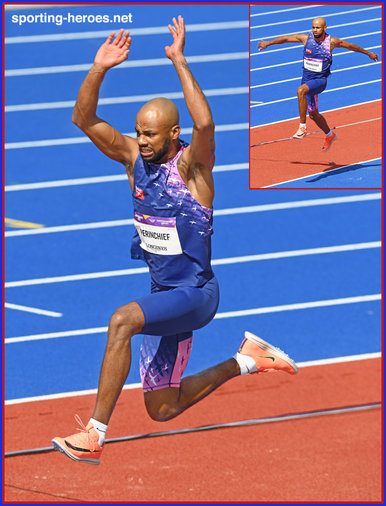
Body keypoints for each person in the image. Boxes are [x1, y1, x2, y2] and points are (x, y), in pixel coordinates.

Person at [52, 16, 298, 466]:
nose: (140, 141)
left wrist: (179, 61)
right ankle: (248, 359)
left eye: (149, 134)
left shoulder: (193, 171)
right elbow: (82, 118)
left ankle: (93, 434)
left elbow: (206, 124)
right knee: (161, 408)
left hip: (196, 295)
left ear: (173, 134)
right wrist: (98, 68)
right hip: (164, 294)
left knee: (121, 320)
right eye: (138, 132)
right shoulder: (132, 159)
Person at [257, 17, 379, 152]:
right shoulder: (305, 39)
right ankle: (330, 135)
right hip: (307, 81)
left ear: (324, 28)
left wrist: (368, 53)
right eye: (313, 27)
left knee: (300, 91)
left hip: (320, 81)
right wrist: (268, 43)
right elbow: (286, 39)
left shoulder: (331, 42)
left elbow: (350, 46)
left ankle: (302, 127)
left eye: (318, 28)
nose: (315, 30)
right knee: (314, 115)